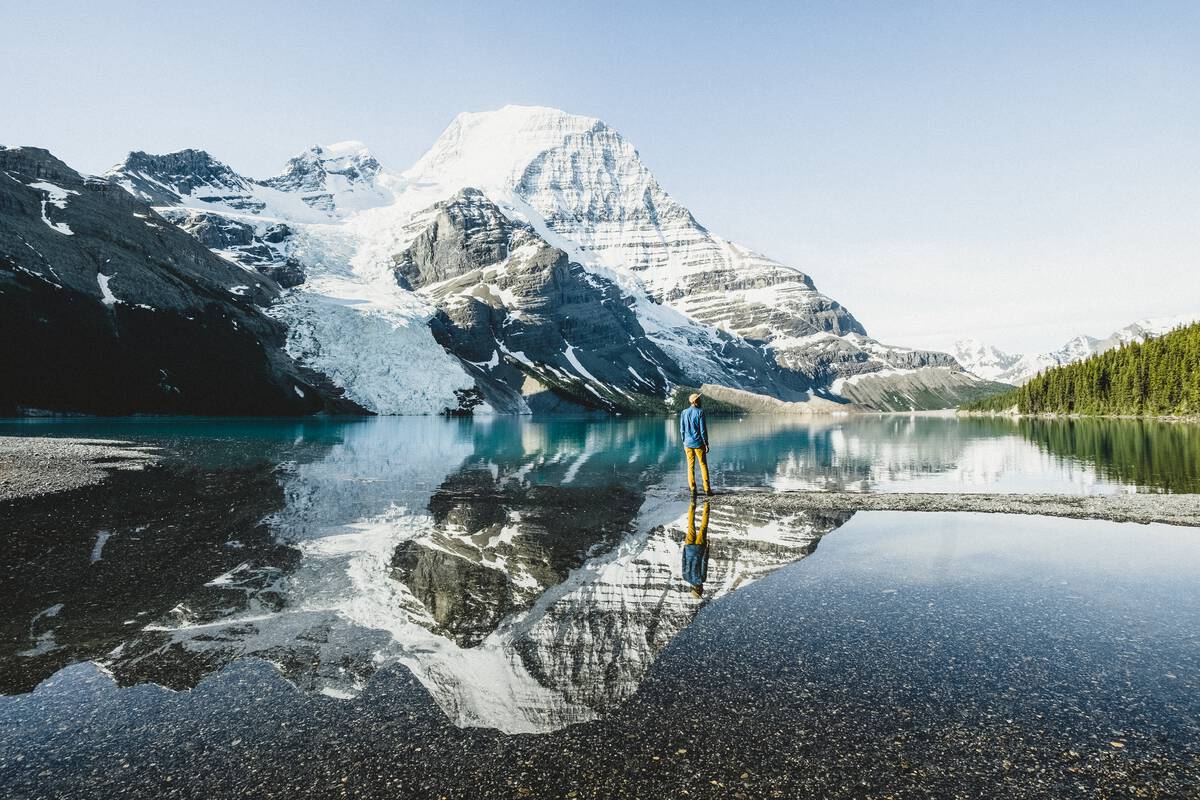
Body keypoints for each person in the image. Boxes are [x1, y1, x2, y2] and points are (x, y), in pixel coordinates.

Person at [679, 392, 712, 496]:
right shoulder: (700, 412)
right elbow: (703, 431)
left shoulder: (684, 412)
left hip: (687, 444)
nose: (700, 400)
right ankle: (707, 490)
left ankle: (693, 490)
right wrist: (706, 443)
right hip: (699, 444)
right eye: (698, 399)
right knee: (703, 465)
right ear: (694, 401)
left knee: (690, 466)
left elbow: (682, 429)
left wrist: (684, 441)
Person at [682, 498, 710, 598]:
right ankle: (692, 504)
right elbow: (684, 560)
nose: (702, 589)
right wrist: (685, 548)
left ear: (698, 589)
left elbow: (704, 562)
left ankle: (707, 503)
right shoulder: (685, 577)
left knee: (703, 526)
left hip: (699, 548)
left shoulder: (701, 579)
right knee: (690, 525)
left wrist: (707, 549)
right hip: (688, 547)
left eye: (701, 591)